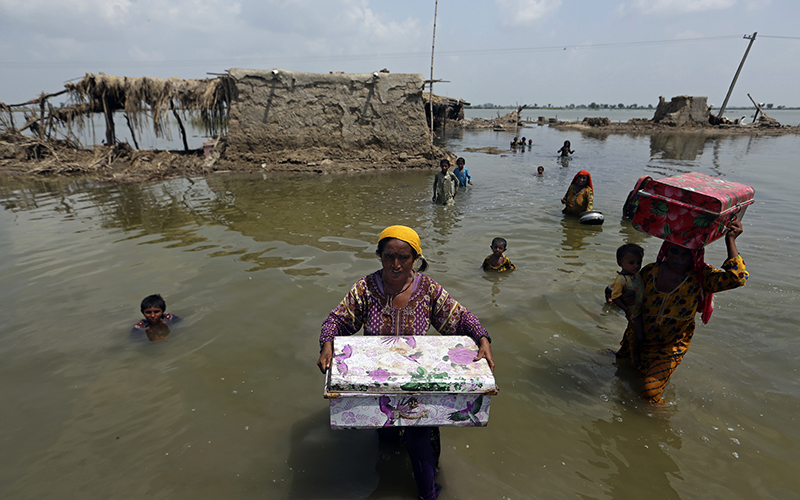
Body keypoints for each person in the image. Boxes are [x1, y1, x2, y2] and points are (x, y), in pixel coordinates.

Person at [317, 225, 493, 500]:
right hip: (378, 379)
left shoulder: (428, 289)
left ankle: (428, 493)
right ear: (379, 256)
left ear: (416, 259)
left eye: (404, 258)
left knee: (420, 440)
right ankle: (388, 473)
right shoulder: (365, 288)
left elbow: (459, 318)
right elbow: (337, 320)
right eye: (389, 257)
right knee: (386, 437)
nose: (395, 265)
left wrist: (482, 338)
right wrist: (327, 342)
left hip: (418, 380)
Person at [614, 221, 748, 403]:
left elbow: (737, 278)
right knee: (620, 370)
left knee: (649, 393)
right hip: (638, 339)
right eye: (674, 251)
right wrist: (627, 299)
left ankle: (660, 425)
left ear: (695, 256)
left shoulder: (701, 277)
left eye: (686, 254)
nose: (678, 258)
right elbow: (625, 288)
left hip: (669, 347)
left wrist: (730, 239)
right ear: (666, 251)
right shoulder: (650, 271)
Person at [609, 244, 645, 368]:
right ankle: (634, 355)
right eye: (631, 262)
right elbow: (615, 296)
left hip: (641, 309)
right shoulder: (621, 280)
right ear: (620, 263)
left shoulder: (636, 275)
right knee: (640, 336)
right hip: (634, 312)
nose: (636, 266)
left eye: (638, 262)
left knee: (638, 334)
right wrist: (626, 310)